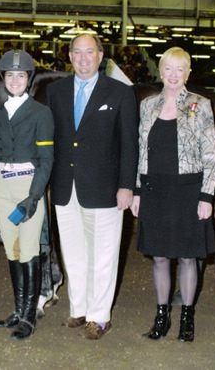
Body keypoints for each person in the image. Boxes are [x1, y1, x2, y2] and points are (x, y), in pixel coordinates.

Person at [46, 34, 138, 340]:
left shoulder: (121, 93)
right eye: (77, 53)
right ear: (70, 57)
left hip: (105, 189)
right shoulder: (55, 92)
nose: (83, 58)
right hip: (64, 187)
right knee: (72, 252)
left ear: (101, 56)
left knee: (103, 254)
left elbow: (129, 145)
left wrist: (127, 185)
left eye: (90, 52)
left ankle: (99, 317)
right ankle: (79, 309)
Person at [130, 47, 215, 342]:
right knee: (159, 257)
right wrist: (138, 191)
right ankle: (161, 316)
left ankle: (187, 318)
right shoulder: (148, 105)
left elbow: (210, 155)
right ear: (160, 70)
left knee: (188, 257)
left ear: (188, 73)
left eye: (180, 69)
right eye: (168, 68)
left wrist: (206, 196)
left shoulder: (200, 104)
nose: (173, 75)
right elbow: (141, 151)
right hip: (154, 190)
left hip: (188, 190)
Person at [0, 49, 54, 340]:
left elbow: (47, 159)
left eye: (20, 75)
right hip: (1, 185)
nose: (15, 80)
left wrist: (34, 196)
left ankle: (29, 316)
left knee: (29, 250)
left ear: (29, 79)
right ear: (4, 78)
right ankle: (17, 309)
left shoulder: (41, 113)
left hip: (27, 185)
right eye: (10, 75)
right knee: (11, 250)